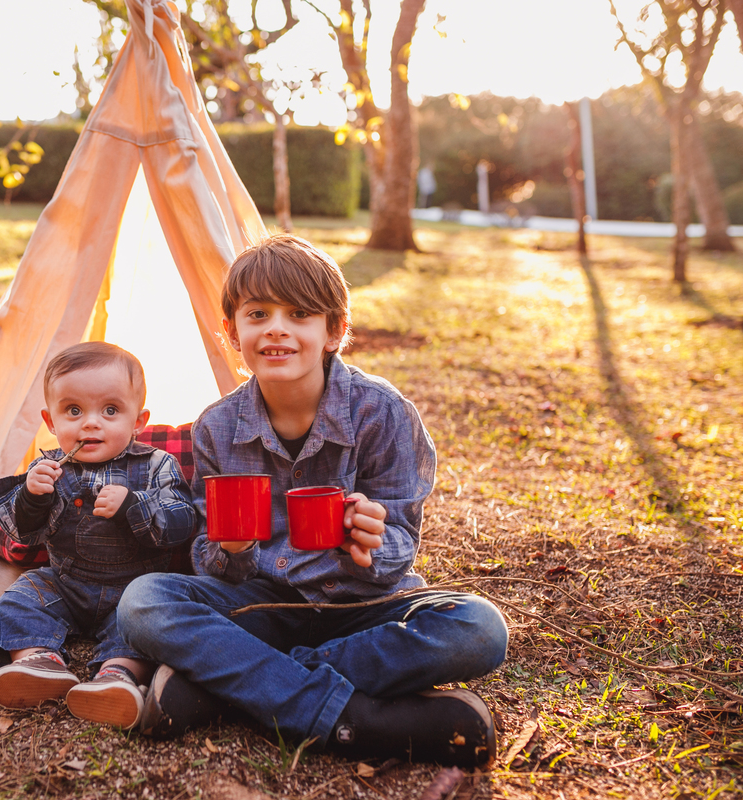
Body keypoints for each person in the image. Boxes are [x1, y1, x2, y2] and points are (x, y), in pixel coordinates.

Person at [115, 234, 509, 768]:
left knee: (478, 628)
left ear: (334, 331)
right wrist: (230, 550)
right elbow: (211, 561)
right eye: (258, 314)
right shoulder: (216, 427)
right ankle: (353, 720)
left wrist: (370, 543)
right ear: (232, 332)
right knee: (143, 601)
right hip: (263, 604)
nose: (276, 327)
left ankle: (232, 686)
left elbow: (400, 543)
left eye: (299, 313)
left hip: (364, 609)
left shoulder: (383, 413)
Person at [0, 341, 196, 730]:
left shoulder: (156, 465)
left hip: (133, 590)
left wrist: (134, 505)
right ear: (51, 421)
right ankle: (38, 662)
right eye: (73, 411)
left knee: (149, 620)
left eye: (110, 410)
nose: (90, 423)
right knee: (20, 596)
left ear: (138, 421)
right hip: (66, 582)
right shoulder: (49, 468)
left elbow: (183, 521)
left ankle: (117, 675)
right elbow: (23, 533)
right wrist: (31, 496)